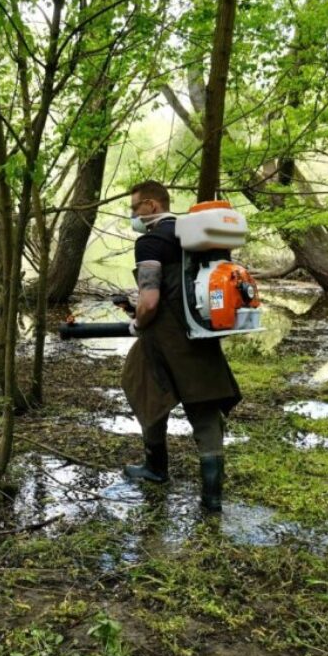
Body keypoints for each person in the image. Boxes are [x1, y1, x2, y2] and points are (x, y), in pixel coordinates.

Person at [120, 180, 242, 512]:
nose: (133, 214)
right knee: (204, 412)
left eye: (134, 208)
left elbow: (149, 301)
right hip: (202, 333)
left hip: (164, 338)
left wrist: (136, 321)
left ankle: (156, 468)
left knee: (143, 387)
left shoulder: (150, 241)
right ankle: (212, 498)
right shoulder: (198, 237)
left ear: (150, 205)